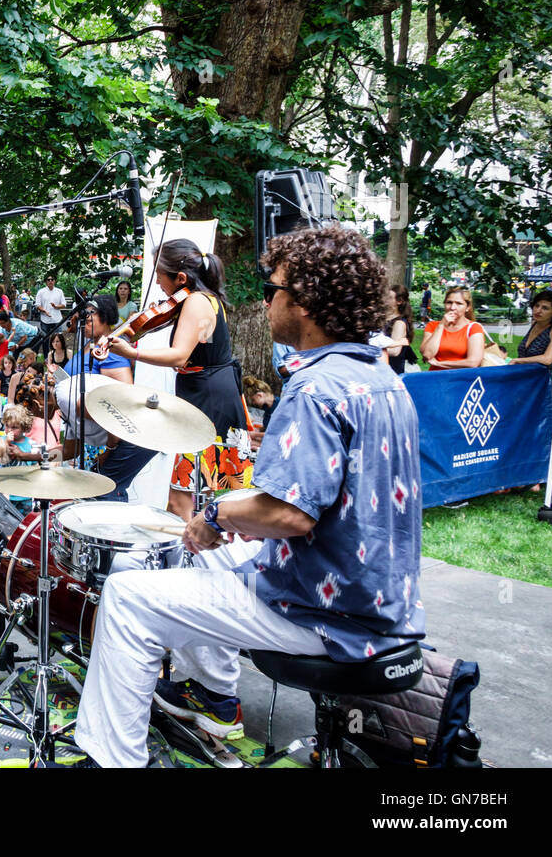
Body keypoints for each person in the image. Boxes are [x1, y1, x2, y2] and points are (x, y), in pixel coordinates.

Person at [75, 225, 424, 768]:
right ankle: (214, 698)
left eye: (273, 289)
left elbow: (287, 513)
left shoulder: (315, 388)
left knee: (127, 598)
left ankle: (112, 759)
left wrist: (215, 512)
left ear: (306, 303)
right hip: (375, 594)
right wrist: (223, 522)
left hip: (325, 610)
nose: (265, 300)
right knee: (199, 555)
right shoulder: (381, 377)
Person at [100, 241, 246, 518]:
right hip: (209, 391)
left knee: (183, 499)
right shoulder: (205, 298)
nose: (157, 283)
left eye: (159, 275)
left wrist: (133, 352)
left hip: (208, 397)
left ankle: (190, 552)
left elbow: (180, 355)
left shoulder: (196, 301)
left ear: (180, 278)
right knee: (204, 491)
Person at [420, 287, 485, 370]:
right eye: (449, 302)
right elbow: (427, 354)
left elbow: (473, 362)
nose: (452, 307)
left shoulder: (474, 328)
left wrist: (439, 363)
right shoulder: (432, 325)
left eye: (459, 303)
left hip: (461, 380)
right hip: (435, 379)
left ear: (467, 307)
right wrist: (441, 325)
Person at [511, 289, 552, 367]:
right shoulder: (535, 323)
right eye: (537, 305)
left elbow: (548, 359)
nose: (538, 310)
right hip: (524, 373)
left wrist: (518, 360)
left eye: (545, 308)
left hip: (544, 377)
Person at [384, 284, 416, 374]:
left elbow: (394, 351)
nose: (385, 299)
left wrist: (370, 349)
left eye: (389, 297)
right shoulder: (384, 318)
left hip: (392, 372)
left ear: (399, 301)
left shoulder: (399, 323)